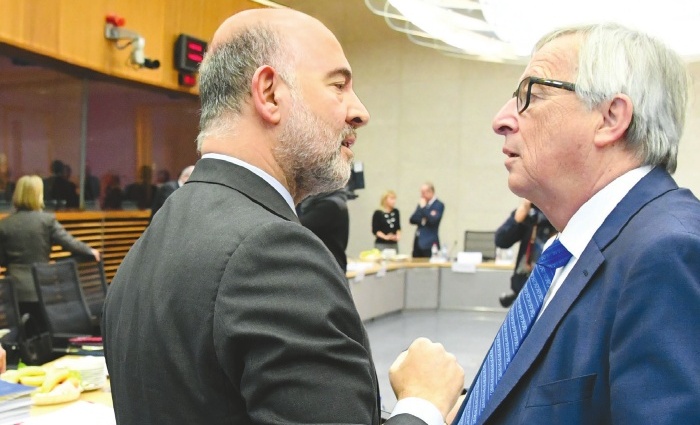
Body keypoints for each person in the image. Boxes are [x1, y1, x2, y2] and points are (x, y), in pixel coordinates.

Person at [103, 8, 464, 425]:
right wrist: (422, 405)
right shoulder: (272, 253)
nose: (360, 111)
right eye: (339, 86)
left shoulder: (155, 237)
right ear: (270, 93)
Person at [452, 23, 700, 425]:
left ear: (610, 118)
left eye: (531, 95)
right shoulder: (578, 247)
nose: (501, 120)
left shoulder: (669, 252)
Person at [0, 175, 100, 332]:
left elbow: (2, 259)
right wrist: (89, 251)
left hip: (13, 291)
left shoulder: (5, 224)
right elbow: (69, 243)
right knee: (43, 334)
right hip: (40, 287)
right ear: (38, 195)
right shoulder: (46, 221)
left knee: (22, 334)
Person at [494, 199, 556, 307]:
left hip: (553, 291)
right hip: (524, 289)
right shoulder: (531, 215)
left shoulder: (563, 216)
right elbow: (501, 241)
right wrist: (518, 217)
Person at [298, 188, 350, 272]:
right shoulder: (337, 202)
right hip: (332, 264)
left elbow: (299, 227)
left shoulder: (330, 205)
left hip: (327, 267)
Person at [409, 183, 444, 258]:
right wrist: (423, 220)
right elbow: (412, 219)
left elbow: (433, 220)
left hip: (429, 243)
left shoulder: (438, 205)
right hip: (417, 242)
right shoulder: (422, 203)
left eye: (423, 193)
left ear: (430, 192)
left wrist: (423, 208)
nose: (421, 195)